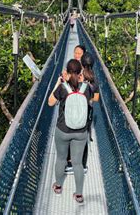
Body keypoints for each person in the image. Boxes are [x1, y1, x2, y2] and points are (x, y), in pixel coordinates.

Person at [48, 59, 91, 204]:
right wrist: (81, 80)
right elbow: (90, 102)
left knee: (61, 158)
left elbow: (50, 102)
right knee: (78, 163)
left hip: (63, 130)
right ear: (80, 73)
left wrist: (59, 82)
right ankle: (79, 195)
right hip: (81, 132)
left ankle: (58, 187)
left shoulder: (62, 88)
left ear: (66, 72)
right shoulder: (87, 88)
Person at [65, 52, 99, 174]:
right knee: (83, 136)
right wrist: (88, 98)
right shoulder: (94, 78)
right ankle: (83, 165)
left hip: (74, 108)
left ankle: (69, 163)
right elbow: (96, 99)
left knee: (71, 132)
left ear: (81, 63)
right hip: (87, 111)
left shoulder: (79, 76)